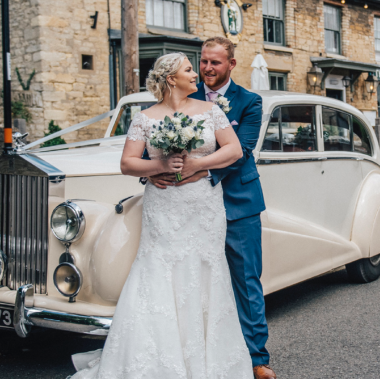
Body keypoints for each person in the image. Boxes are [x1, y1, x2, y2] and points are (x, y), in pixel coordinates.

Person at [69, 51, 254, 378]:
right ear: (171, 79)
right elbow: (128, 162)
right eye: (188, 70)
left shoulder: (210, 111)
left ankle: (208, 362)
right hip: (164, 206)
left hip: (203, 206)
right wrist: (160, 166)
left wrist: (198, 163)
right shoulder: (145, 117)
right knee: (157, 271)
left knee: (205, 271)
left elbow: (234, 149)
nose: (195, 74)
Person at [149, 37, 276, 379]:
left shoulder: (249, 101)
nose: (206, 68)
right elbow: (155, 141)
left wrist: (198, 169)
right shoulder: (183, 98)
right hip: (189, 208)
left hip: (237, 203)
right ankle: (201, 357)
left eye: (215, 63)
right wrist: (154, 173)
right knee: (196, 280)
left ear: (231, 64)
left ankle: (256, 359)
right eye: (203, 61)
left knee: (245, 280)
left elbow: (244, 149)